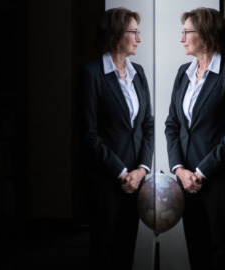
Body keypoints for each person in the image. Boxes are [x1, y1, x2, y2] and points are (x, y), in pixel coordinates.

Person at [164, 7, 225, 270]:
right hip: (186, 180)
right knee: (196, 248)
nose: (182, 38)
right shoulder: (183, 73)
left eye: (187, 32)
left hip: (218, 179)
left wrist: (201, 172)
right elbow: (172, 125)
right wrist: (180, 170)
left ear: (207, 36)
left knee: (220, 250)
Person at [79, 7, 154, 270]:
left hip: (135, 180)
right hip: (105, 179)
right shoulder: (91, 73)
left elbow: (147, 125)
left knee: (126, 248)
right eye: (134, 32)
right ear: (115, 35)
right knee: (102, 250)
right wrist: (121, 172)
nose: (139, 38)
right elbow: (89, 134)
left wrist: (140, 170)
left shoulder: (139, 73)